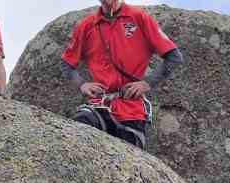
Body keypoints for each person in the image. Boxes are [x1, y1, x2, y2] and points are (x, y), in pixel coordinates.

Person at [60, 0, 182, 152]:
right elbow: (66, 64)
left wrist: (146, 84)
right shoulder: (86, 26)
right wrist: (82, 85)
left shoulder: (138, 17)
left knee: (127, 163)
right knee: (78, 132)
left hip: (132, 110)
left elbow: (174, 57)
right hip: (100, 106)